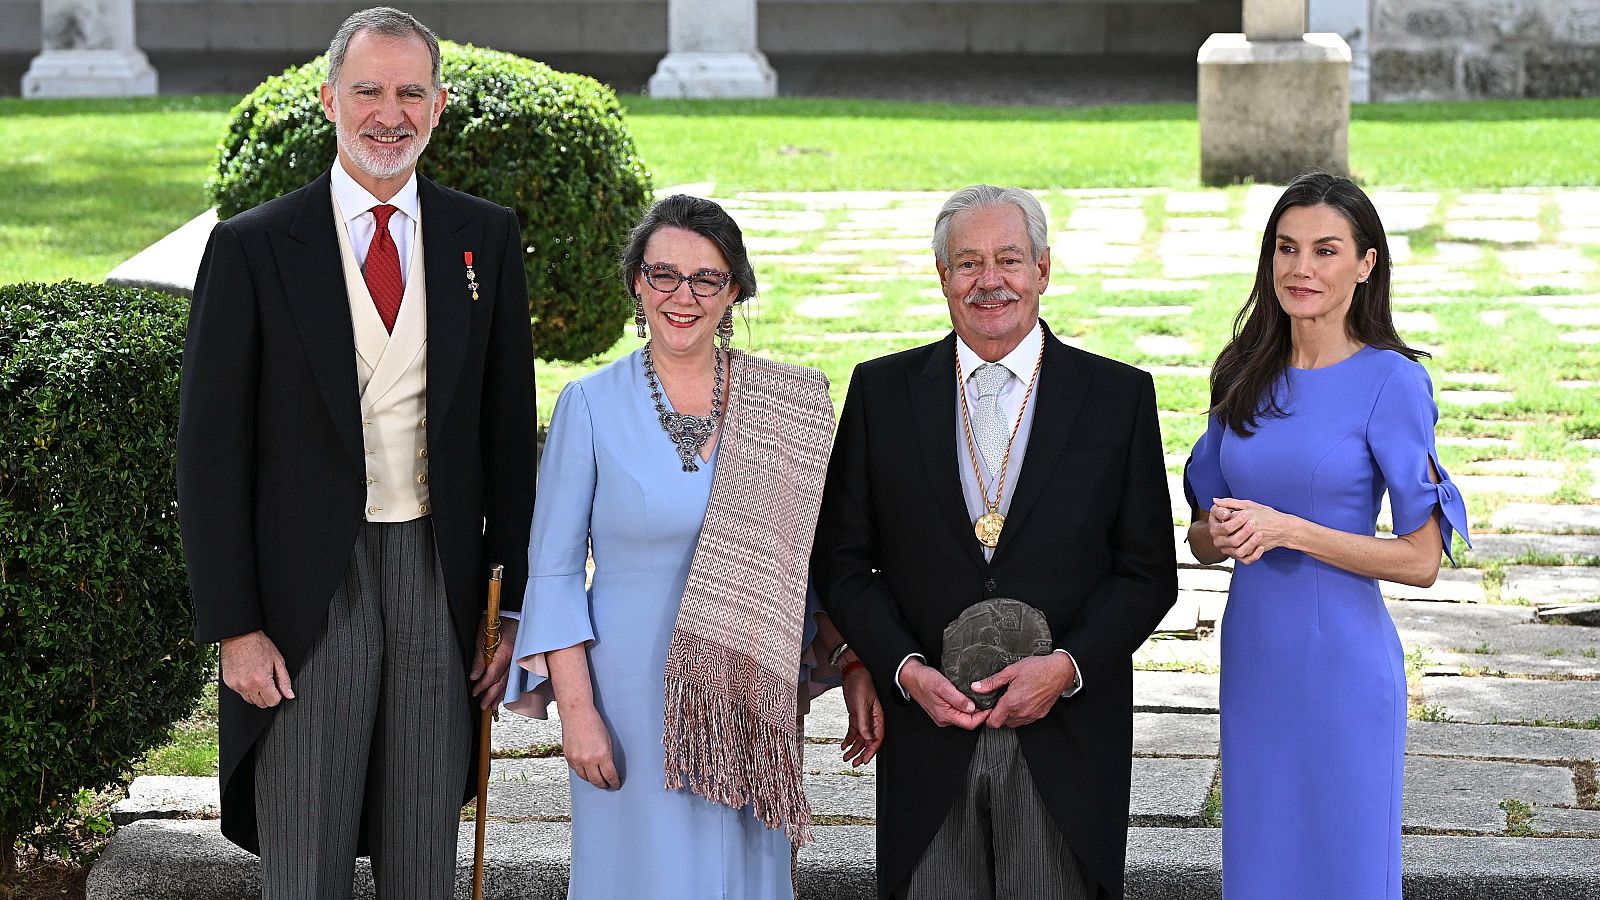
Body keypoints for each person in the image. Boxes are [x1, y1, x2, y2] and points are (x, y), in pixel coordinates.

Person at [176, 8, 536, 898]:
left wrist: (514, 607)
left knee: (424, 856)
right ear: (329, 99)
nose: (390, 113)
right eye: (368, 90)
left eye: (411, 92)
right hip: (303, 594)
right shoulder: (254, 247)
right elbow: (209, 452)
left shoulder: (481, 238)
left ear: (440, 106)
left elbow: (507, 437)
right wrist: (235, 626)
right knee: (306, 854)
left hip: (438, 576)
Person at [502, 194, 881, 900]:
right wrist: (579, 715)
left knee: (742, 878)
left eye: (705, 278)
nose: (683, 296)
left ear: (734, 288)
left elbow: (818, 560)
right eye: (663, 275)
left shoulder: (786, 405)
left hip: (751, 695)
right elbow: (552, 570)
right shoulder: (589, 404)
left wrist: (853, 661)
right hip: (627, 704)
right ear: (636, 283)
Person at [813, 184, 1178, 900]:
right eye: (968, 262)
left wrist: (1066, 668)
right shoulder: (881, 393)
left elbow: (1146, 574)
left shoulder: (1117, 398)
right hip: (926, 736)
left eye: (1009, 260)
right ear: (942, 276)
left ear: (1043, 270)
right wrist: (903, 669)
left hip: (1064, 741)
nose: (990, 281)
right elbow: (844, 562)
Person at [1182, 172, 1471, 900]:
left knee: (1346, 873)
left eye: (1325, 250)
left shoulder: (1391, 382)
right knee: (1260, 870)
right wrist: (1221, 532)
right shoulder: (1243, 370)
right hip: (1255, 658)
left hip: (1343, 668)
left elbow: (1420, 560)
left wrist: (1291, 531)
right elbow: (1199, 539)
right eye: (1285, 248)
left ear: (1366, 263)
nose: (1300, 268)